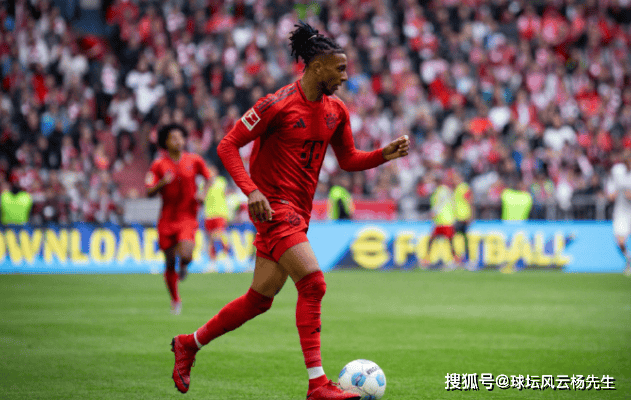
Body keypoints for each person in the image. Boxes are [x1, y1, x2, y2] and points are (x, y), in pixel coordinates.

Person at [169, 21, 410, 399]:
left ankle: (189, 344)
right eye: (340, 69)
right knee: (313, 283)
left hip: (300, 213)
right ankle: (317, 384)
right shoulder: (276, 104)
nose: (345, 76)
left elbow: (348, 159)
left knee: (259, 299)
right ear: (317, 67)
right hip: (274, 209)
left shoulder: (337, 110)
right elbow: (227, 145)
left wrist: (383, 155)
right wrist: (251, 191)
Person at [145, 123, 211, 315]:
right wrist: (161, 183)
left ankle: (184, 265)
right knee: (168, 261)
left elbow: (208, 178)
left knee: (187, 253)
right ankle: (175, 300)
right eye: (173, 138)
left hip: (187, 215)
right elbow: (148, 191)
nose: (178, 141)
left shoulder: (195, 160)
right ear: (165, 142)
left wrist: (203, 193)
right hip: (166, 218)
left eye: (181, 137)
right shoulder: (158, 165)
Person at [425, 171, 459, 268]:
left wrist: (434, 212)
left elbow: (440, 204)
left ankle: (454, 260)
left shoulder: (442, 190)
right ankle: (428, 259)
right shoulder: (438, 190)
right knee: (435, 240)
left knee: (448, 241)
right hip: (440, 221)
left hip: (445, 220)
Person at [607, 155, 631, 275]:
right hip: (621, 211)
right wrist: (613, 194)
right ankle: (629, 258)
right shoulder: (618, 173)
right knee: (620, 241)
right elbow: (610, 195)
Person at [202, 164, 231, 261]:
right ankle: (212, 260)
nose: (210, 174)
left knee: (218, 234)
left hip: (220, 213)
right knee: (210, 238)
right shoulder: (204, 183)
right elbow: (202, 197)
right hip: (208, 214)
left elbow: (226, 193)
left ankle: (227, 254)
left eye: (211, 172)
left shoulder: (221, 181)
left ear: (215, 172)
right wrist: (207, 185)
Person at [452, 169, 473, 265]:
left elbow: (470, 200)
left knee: (463, 239)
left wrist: (470, 215)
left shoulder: (464, 187)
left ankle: (466, 259)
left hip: (464, 216)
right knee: (459, 239)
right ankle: (461, 259)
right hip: (458, 217)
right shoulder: (458, 188)